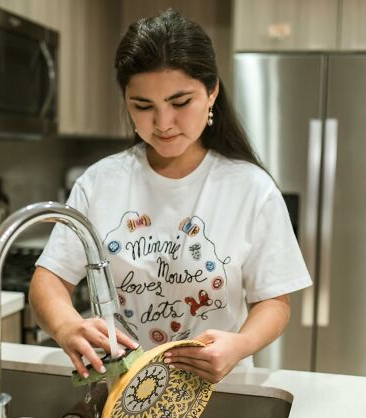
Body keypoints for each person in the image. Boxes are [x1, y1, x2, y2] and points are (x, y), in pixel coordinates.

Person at [29, 9, 312, 383]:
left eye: (180, 103)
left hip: (217, 387)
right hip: (126, 388)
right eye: (143, 106)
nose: (162, 124)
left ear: (212, 92)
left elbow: (274, 302)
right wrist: (66, 325)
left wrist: (240, 344)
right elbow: (48, 280)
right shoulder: (100, 183)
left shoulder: (250, 188)